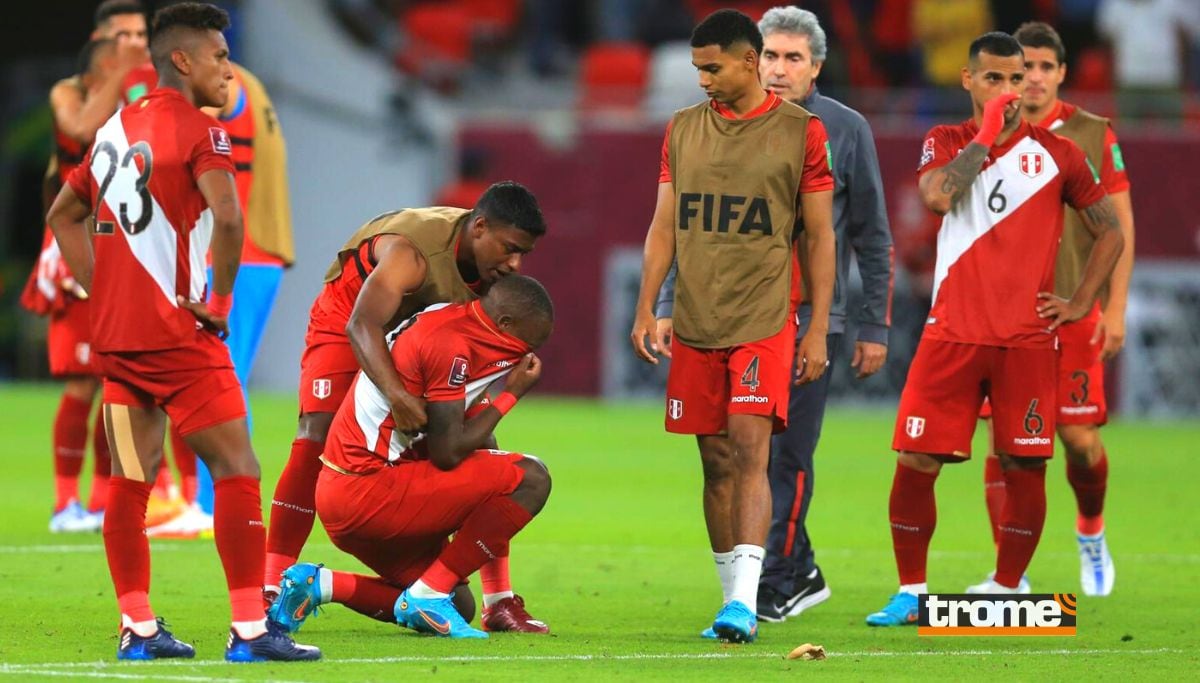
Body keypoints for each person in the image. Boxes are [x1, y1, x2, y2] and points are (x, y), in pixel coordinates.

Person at [44, 2, 318, 661]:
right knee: (238, 467)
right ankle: (250, 630)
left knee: (131, 482)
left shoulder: (114, 129)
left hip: (121, 344)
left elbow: (63, 212)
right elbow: (228, 219)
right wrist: (219, 300)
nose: (230, 69)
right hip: (181, 337)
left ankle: (137, 626)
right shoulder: (203, 132)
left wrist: (103, 289)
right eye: (221, 56)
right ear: (183, 60)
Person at [865, 31, 1124, 627]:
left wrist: (1082, 300)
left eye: (1018, 78)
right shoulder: (946, 140)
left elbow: (1109, 228)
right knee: (916, 460)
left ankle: (1007, 591)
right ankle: (911, 592)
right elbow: (936, 198)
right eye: (996, 79)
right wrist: (985, 134)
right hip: (951, 333)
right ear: (968, 80)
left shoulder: (1059, 155)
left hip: (1027, 341)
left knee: (1024, 464)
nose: (1011, 89)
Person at [658, 5, 893, 625]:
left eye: (794, 58)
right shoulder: (703, 127)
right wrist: (662, 303)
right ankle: (791, 571)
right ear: (752, 58)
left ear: (816, 67)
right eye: (772, 56)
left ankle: (775, 583)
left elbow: (867, 235)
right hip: (717, 313)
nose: (780, 68)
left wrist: (871, 325)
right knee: (734, 457)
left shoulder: (840, 130)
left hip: (809, 317)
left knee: (779, 458)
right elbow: (698, 227)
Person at [630, 9, 835, 643]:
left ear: (749, 62)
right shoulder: (682, 129)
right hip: (694, 318)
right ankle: (731, 599)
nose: (702, 80)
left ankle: (746, 603)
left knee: (750, 450)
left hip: (763, 316)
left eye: (711, 67)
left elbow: (821, 236)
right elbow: (665, 225)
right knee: (714, 460)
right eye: (697, 69)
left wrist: (818, 326)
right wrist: (647, 307)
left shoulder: (803, 131)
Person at [263, 181, 546, 596]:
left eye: (524, 253)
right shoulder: (413, 252)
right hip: (352, 319)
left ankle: (499, 599)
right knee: (315, 438)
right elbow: (363, 324)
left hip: (417, 338)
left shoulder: (490, 270)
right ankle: (271, 585)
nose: (516, 263)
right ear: (480, 227)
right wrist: (398, 396)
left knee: (482, 445)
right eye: (510, 248)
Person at [267, 275, 555, 639]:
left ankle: (320, 584)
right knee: (531, 477)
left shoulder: (447, 322)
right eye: (527, 345)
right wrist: (511, 394)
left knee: (459, 605)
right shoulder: (451, 346)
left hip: (345, 495)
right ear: (505, 324)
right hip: (368, 490)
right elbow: (448, 453)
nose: (527, 357)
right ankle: (435, 595)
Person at [971, 21, 1136, 597]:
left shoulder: (1092, 132)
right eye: (1025, 68)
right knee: (1003, 442)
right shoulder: (988, 132)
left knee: (1079, 439)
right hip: (1004, 315)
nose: (1033, 78)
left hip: (1073, 310)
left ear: (1062, 72)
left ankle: (1091, 528)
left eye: (1045, 67)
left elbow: (1121, 225)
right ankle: (1006, 575)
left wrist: (1113, 308)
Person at [149, 59, 297, 538]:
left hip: (237, 256)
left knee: (220, 378)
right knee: (215, 375)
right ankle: (203, 501)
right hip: (249, 253)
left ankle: (217, 507)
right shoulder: (250, 80)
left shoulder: (227, 81)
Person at [21, 38, 128, 534]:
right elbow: (81, 130)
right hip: (77, 255)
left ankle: (104, 501)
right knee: (85, 383)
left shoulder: (137, 101)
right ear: (104, 63)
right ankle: (66, 505)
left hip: (122, 252)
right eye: (126, 44)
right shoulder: (72, 97)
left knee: (118, 384)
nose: (136, 52)